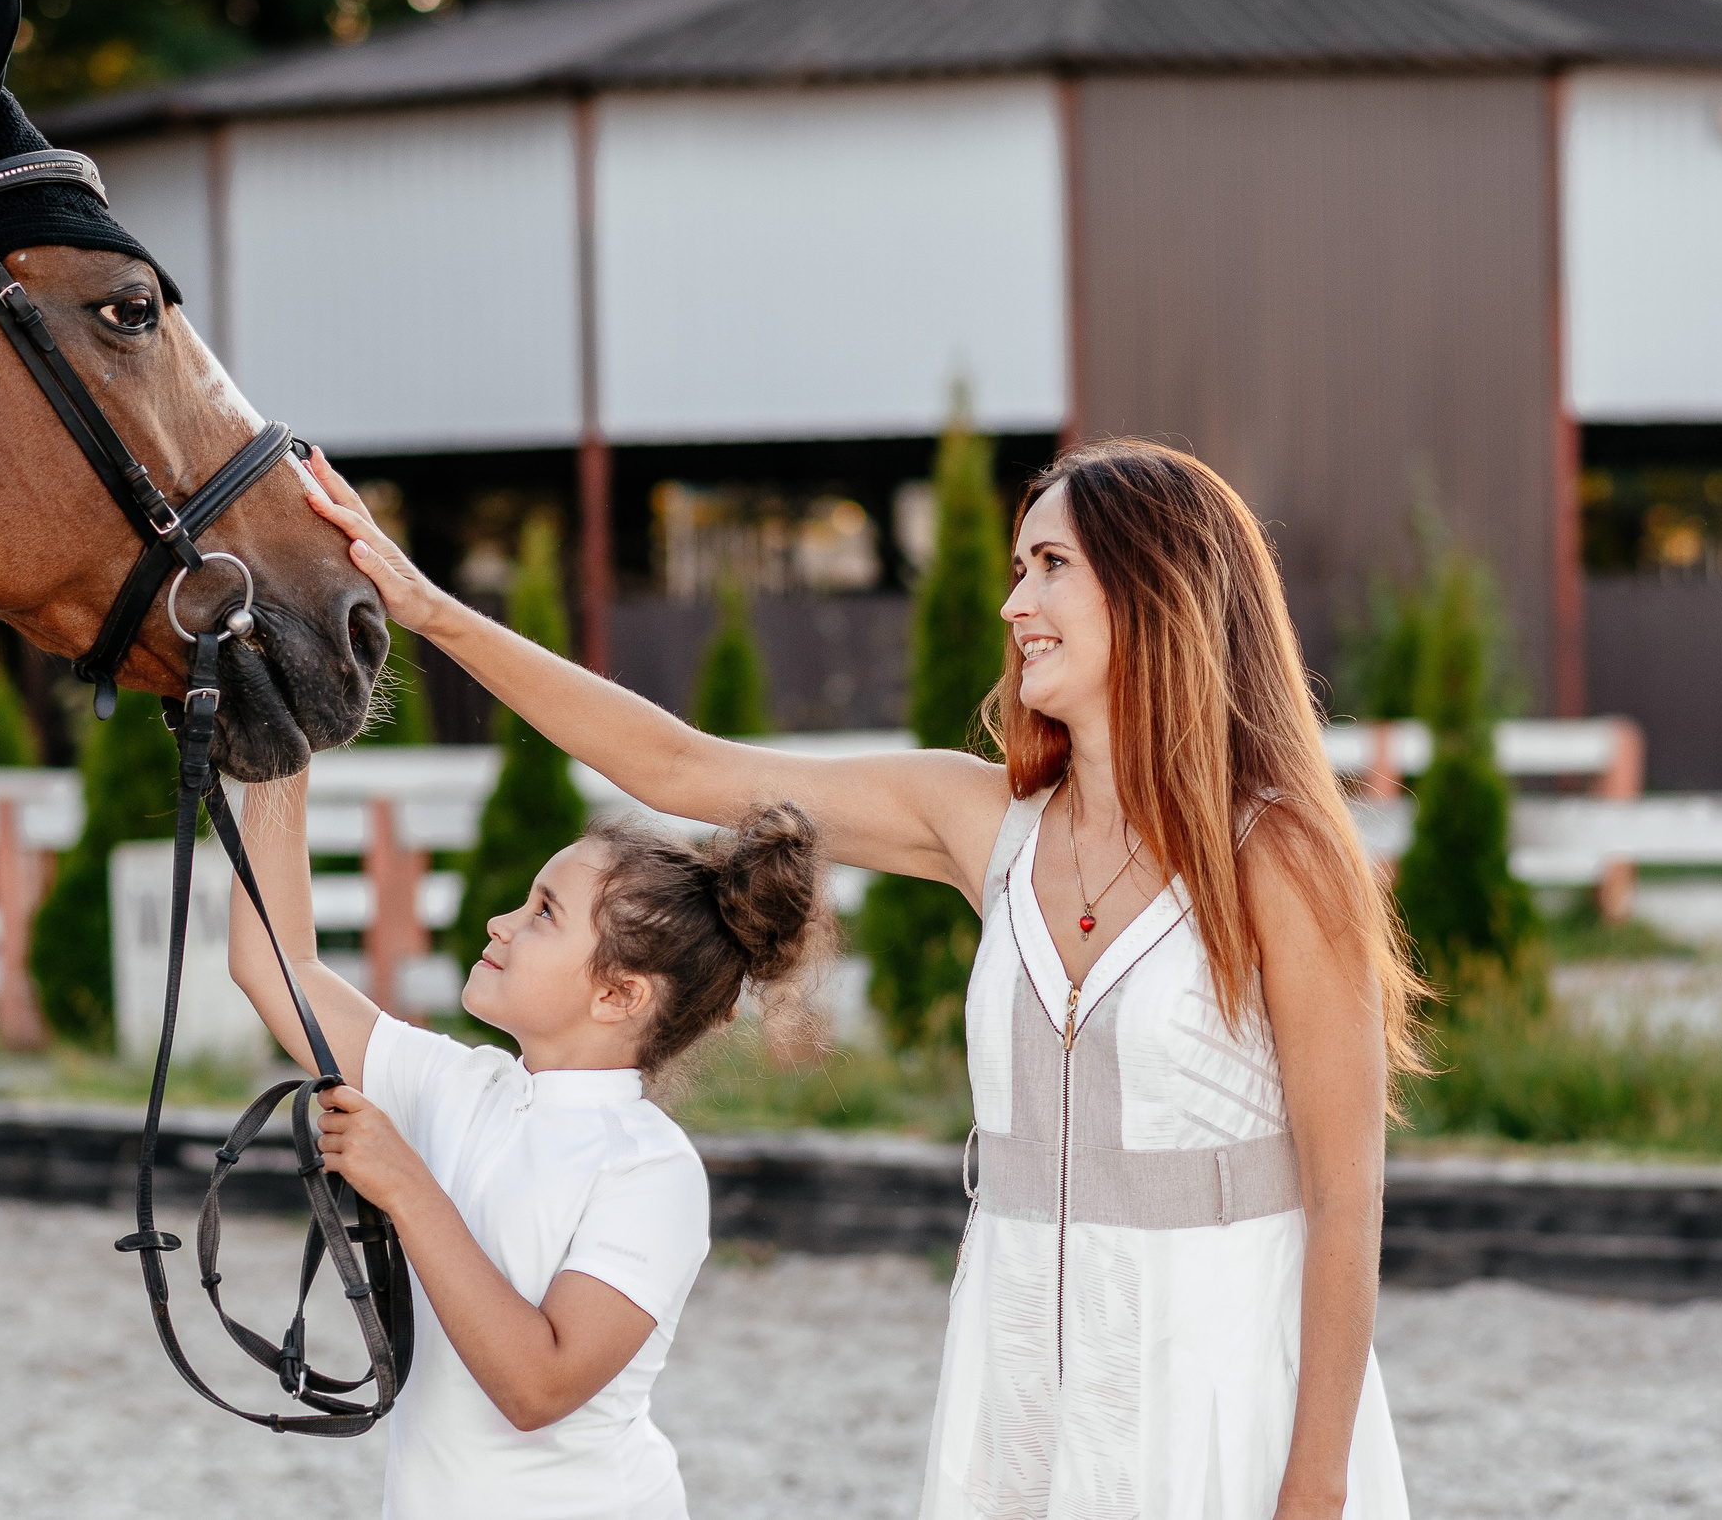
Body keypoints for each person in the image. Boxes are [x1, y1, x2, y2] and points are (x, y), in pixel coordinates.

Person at [302, 437, 1423, 1520]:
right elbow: (679, 766)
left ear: (1158, 588)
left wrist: (1314, 1491)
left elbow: (1343, 1192)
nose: (1011, 605)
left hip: (1219, 1372)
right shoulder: (983, 822)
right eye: (1016, 568)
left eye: (1051, 567)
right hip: (1019, 1356)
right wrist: (428, 609)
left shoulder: (1274, 850)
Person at [226, 759, 829, 1520]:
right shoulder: (457, 1083)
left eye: (543, 912)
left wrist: (406, 1187)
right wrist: (281, 755)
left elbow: (537, 1386)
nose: (500, 923)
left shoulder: (650, 1167)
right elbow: (276, 968)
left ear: (618, 994)